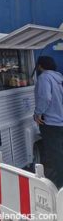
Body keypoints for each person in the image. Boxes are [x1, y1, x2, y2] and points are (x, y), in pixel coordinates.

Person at [34, 55, 63, 188]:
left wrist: (38, 113)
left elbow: (45, 97)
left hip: (51, 123)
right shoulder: (59, 78)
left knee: (55, 154)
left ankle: (60, 184)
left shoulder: (44, 77)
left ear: (40, 66)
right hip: (61, 121)